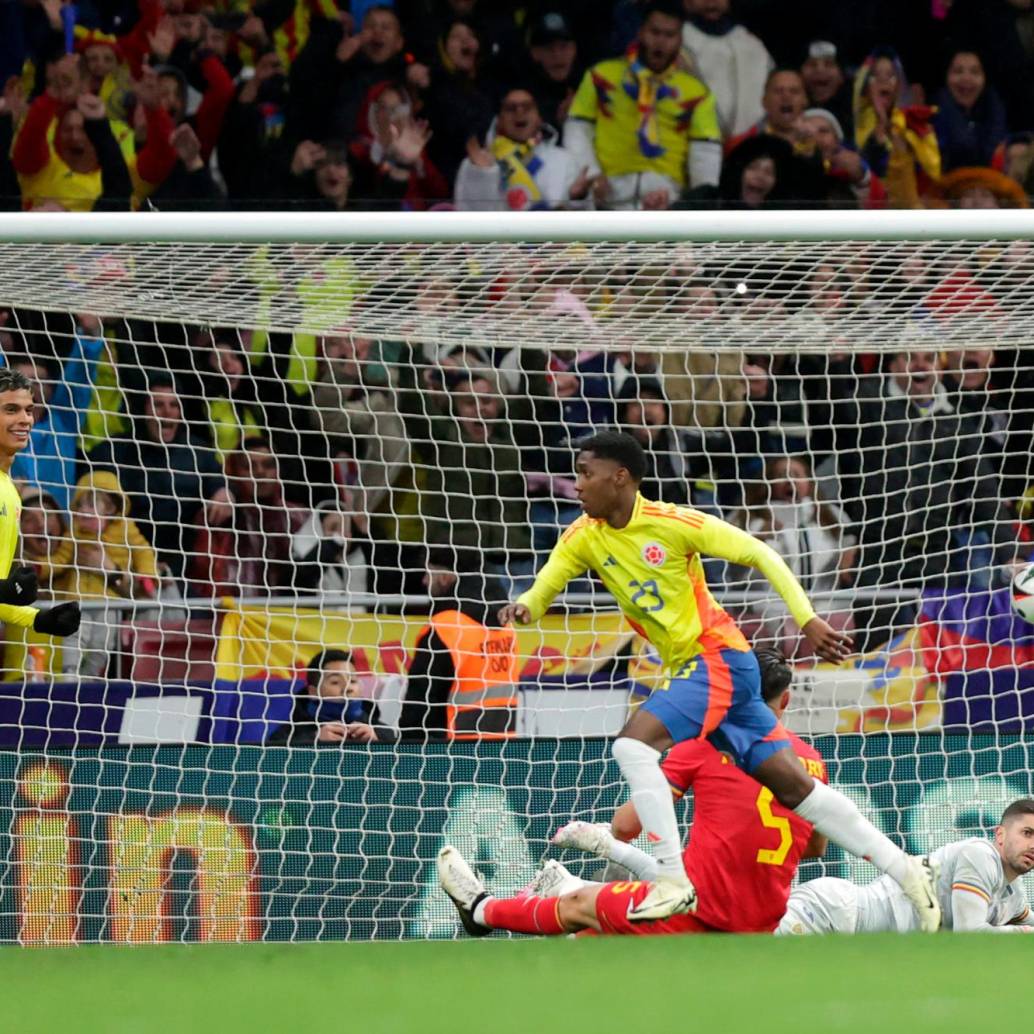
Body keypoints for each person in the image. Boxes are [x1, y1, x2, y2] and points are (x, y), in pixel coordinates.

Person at [497, 431, 939, 927]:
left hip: (717, 658)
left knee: (631, 747)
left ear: (619, 477)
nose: (576, 485)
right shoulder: (583, 535)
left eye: (584, 473)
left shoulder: (675, 524)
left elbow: (761, 555)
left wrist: (808, 617)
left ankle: (672, 880)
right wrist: (527, 606)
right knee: (795, 789)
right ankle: (906, 868)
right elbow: (549, 580)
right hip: (713, 671)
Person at [437, 647, 828, 936]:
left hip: (697, 909)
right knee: (597, 935)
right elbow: (815, 849)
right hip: (763, 921)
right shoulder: (811, 763)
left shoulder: (706, 746)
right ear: (786, 700)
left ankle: (482, 910)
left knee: (579, 904)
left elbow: (625, 825)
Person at [779, 799, 1034, 935]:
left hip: (855, 945)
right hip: (829, 913)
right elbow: (969, 934)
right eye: (1027, 833)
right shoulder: (980, 854)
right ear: (999, 834)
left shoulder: (1013, 893)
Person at [564, 0, 720, 209]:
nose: (660, 42)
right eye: (655, 32)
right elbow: (577, 129)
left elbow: (705, 152)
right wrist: (591, 175)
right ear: (640, 31)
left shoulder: (697, 92)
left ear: (680, 39)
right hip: (607, 198)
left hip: (666, 202)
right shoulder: (600, 75)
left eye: (669, 35)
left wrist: (697, 204)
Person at [0, 368, 82, 649]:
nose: (24, 419)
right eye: (11, 409)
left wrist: (39, 619)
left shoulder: (10, 493)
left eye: (28, 410)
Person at [398, 548, 515, 741]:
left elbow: (420, 700)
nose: (424, 581)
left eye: (428, 573)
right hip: (502, 746)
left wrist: (409, 749)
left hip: (451, 753)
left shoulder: (445, 627)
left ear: (444, 577)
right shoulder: (506, 623)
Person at [5, 313, 104, 511]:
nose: (29, 387)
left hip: (57, 535)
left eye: (38, 380)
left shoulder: (63, 424)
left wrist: (90, 334)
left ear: (51, 389)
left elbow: (79, 380)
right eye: (21, 381)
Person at [455, 87, 589, 211]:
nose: (519, 112)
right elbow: (469, 220)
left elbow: (583, 222)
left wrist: (578, 199)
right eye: (510, 108)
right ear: (499, 120)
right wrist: (481, 175)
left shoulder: (563, 160)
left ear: (539, 118)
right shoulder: (477, 163)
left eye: (527, 107)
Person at [679, 0, 773, 140]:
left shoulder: (751, 43)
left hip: (753, 145)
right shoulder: (675, 41)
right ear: (686, 2)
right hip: (696, 142)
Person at [267, 649, 395, 746]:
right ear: (313, 691)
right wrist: (314, 740)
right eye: (335, 682)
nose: (347, 688)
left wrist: (378, 744)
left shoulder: (383, 731)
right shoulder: (288, 734)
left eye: (353, 680)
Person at [932, 49, 1007, 174]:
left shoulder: (994, 108)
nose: (966, 78)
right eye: (958, 71)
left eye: (975, 72)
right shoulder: (932, 115)